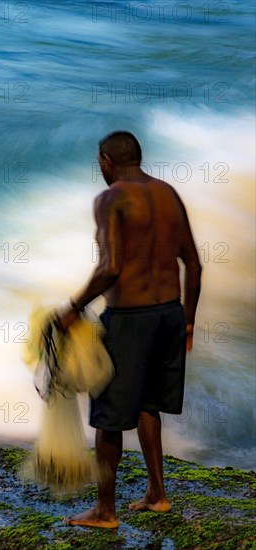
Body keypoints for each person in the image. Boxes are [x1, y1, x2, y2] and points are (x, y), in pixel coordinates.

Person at [57, 130, 202, 529]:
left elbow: (111, 268)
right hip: (169, 313)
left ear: (105, 161)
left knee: (108, 415)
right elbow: (194, 262)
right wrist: (188, 321)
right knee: (147, 403)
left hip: (130, 320)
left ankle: (105, 511)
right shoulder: (168, 194)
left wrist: (72, 309)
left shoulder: (110, 198)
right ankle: (157, 495)